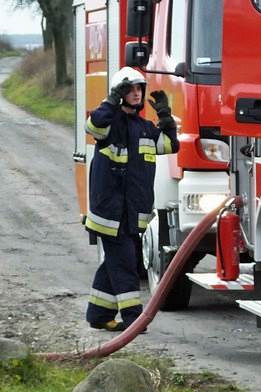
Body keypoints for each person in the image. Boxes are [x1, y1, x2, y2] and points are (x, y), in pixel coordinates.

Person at [84, 67, 179, 331]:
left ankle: (98, 314)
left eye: (139, 89)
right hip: (110, 215)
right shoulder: (108, 125)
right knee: (125, 263)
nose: (136, 94)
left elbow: (172, 145)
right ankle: (134, 319)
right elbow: (92, 126)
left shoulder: (145, 129)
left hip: (131, 214)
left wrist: (164, 115)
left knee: (115, 263)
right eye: (130, 89)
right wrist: (110, 102)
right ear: (119, 94)